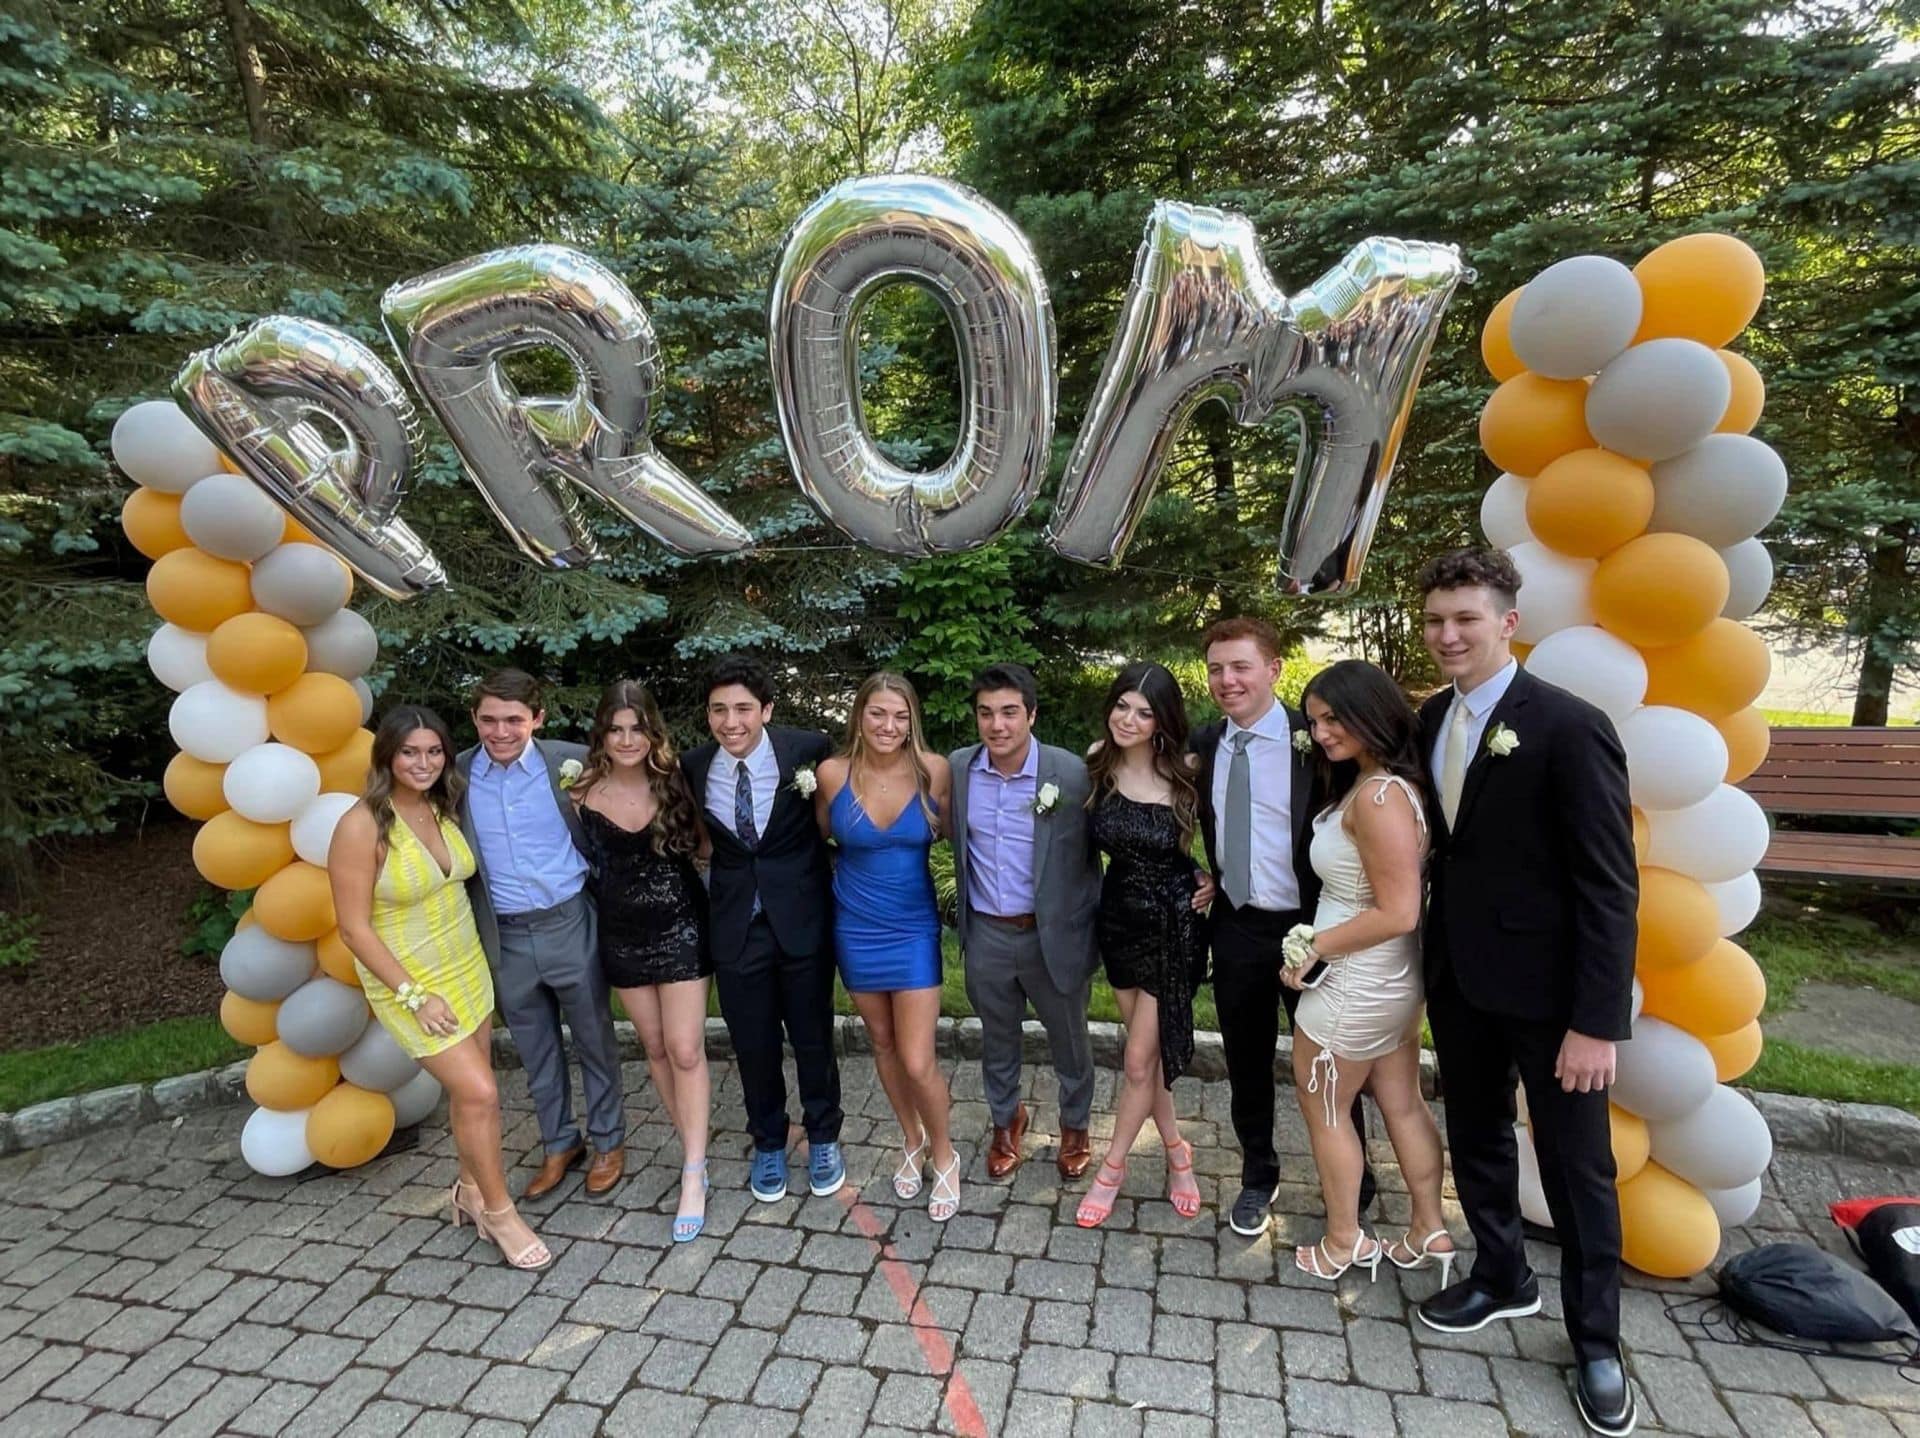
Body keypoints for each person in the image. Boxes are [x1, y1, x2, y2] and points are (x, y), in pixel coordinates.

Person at [1413, 548, 1639, 1438]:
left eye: (1465, 618)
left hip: (1553, 999)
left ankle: (1597, 1343)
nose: (1447, 634)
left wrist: (1595, 1021)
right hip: (1459, 980)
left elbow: (1610, 886)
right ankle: (1502, 1275)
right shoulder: (1429, 719)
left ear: (1509, 622)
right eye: (1436, 619)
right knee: (1476, 1136)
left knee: (1580, 1168)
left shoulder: (1569, 725)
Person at [330, 705, 550, 1270]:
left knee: (469, 1095)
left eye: (433, 752)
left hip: (466, 965)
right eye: (409, 752)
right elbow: (353, 928)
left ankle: (470, 1191)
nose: (423, 762)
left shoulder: (441, 805)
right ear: (387, 756)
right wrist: (413, 996)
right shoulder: (362, 824)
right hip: (411, 984)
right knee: (481, 1093)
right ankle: (500, 1214)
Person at [1192, 617, 1373, 1238]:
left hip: (1314, 925)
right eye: (1216, 668)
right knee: (1245, 1057)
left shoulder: (1318, 742)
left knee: (1327, 1059)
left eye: (1241, 666)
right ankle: (1258, 1172)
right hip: (1237, 924)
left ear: (1273, 669)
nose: (1227, 679)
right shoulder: (1207, 743)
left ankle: (1355, 1176)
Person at [1286, 660, 1453, 1287]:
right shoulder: (1390, 784)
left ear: (1371, 712)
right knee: (1403, 1105)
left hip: (1353, 985)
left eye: (1333, 719)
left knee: (1326, 1109)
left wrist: (1315, 946)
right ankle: (1427, 1227)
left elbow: (1399, 910)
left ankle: (1342, 1239)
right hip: (1390, 983)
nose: (1323, 732)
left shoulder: (1380, 797)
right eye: (1315, 721)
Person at [456, 669, 624, 1201]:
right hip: (504, 933)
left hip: (569, 920)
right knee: (535, 1050)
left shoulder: (571, 763)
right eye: (488, 719)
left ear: (538, 718)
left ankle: (608, 1141)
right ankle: (559, 1142)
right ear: (475, 719)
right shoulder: (457, 774)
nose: (500, 731)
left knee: (594, 1038)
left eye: (513, 719)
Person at [682, 654, 844, 1203]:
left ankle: (824, 1135)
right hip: (735, 925)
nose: (732, 722)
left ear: (767, 710)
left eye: (744, 709)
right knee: (752, 1043)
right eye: (719, 710)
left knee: (813, 1036)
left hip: (801, 920)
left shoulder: (808, 750)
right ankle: (769, 1140)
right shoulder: (695, 765)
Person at [570, 680, 714, 1243]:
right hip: (621, 935)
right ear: (602, 734)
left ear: (652, 731)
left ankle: (694, 1176)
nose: (627, 739)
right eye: (616, 728)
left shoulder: (676, 783)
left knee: (684, 1047)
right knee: (653, 1047)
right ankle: (692, 1148)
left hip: (681, 926)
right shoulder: (579, 795)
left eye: (637, 728)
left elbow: (705, 849)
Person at [1074, 662, 1216, 1229]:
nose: (1128, 719)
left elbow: (1232, 836)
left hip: (1173, 925)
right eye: (1121, 706)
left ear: (1162, 720)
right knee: (1146, 1059)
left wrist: (1213, 878)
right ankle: (1178, 1151)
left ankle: (1111, 1169)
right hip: (1118, 921)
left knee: (1136, 1061)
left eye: (1144, 710)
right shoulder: (1096, 763)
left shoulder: (1185, 772)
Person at [815, 672, 960, 1221]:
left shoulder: (933, 770)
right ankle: (912, 1139)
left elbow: (955, 832)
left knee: (919, 1057)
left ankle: (946, 1154)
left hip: (914, 927)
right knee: (881, 1042)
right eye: (878, 714)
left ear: (912, 720)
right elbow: (818, 836)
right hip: (854, 927)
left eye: (900, 716)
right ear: (859, 716)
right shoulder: (831, 775)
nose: (889, 726)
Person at [948, 662, 1102, 1181]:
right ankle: (1005, 1119)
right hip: (988, 930)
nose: (998, 725)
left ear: (1031, 715)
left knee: (1071, 1040)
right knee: (997, 1038)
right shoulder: (960, 769)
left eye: (1010, 712)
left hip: (1052, 934)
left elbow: (1112, 841)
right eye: (986, 714)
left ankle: (1076, 1124)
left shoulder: (1072, 773)